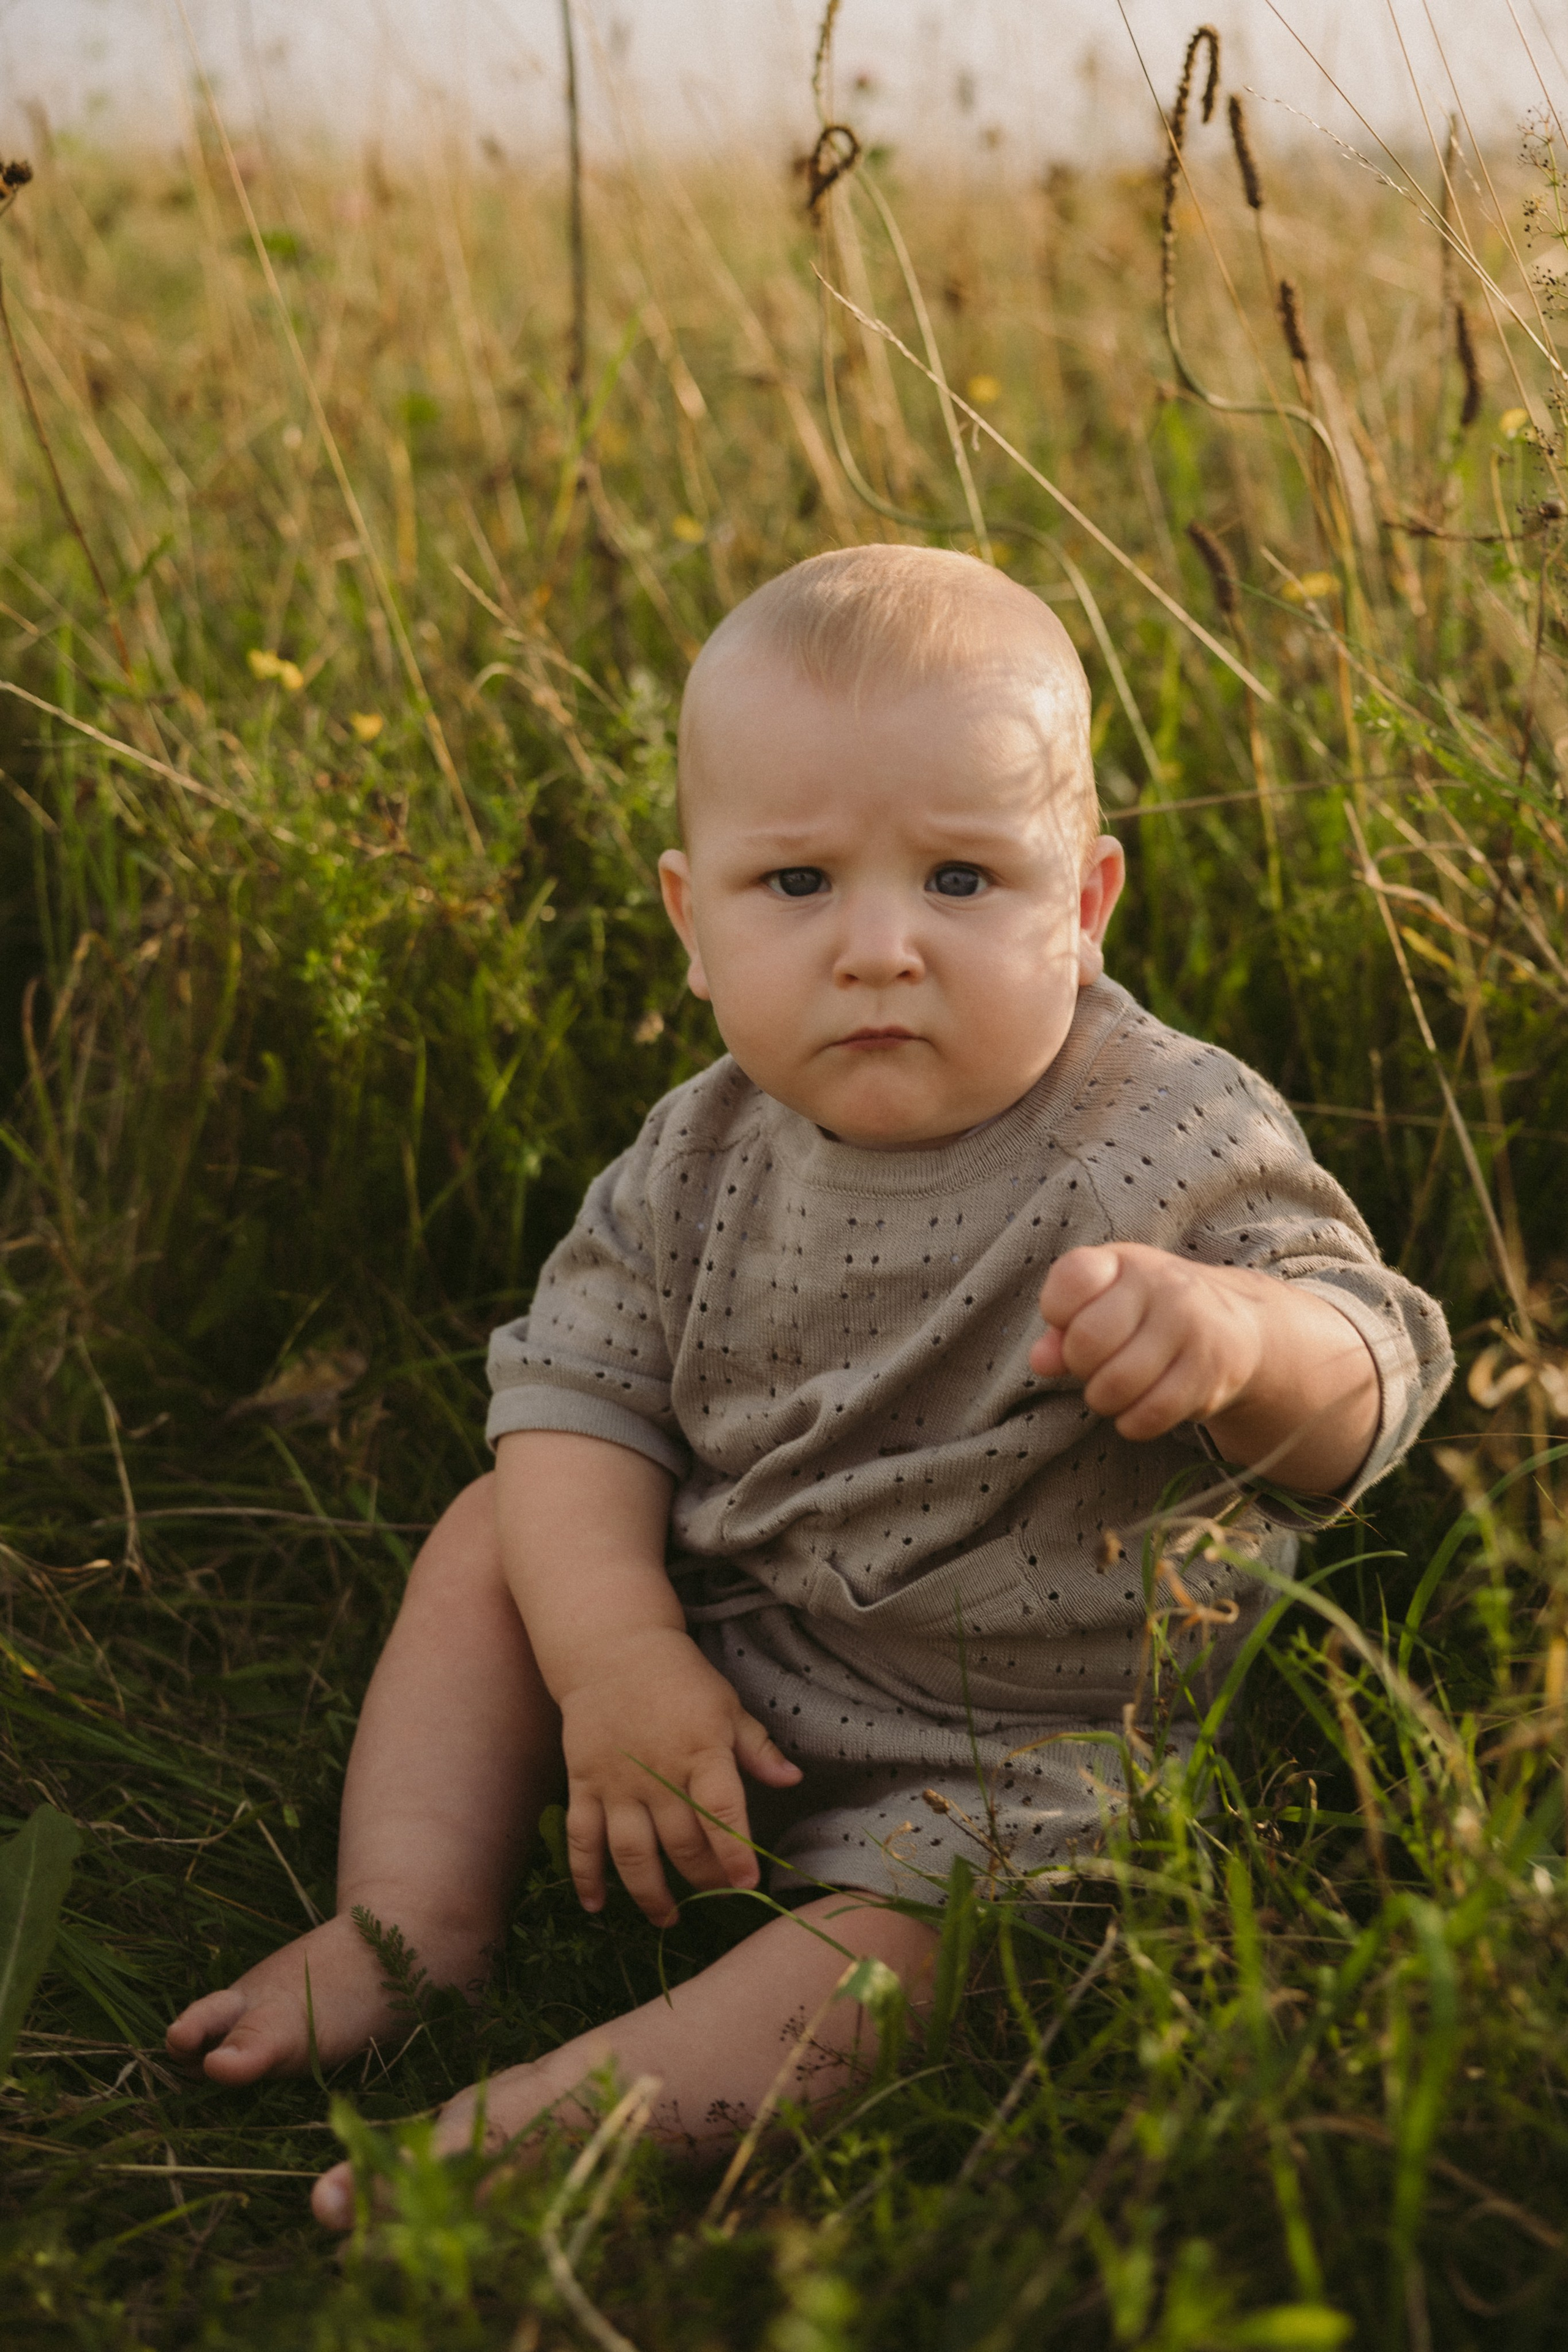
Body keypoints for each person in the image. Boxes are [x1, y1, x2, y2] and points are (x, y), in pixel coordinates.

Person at [167, 546, 1452, 2229]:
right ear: (692, 923)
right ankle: (409, 1926)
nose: (880, 950)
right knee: (504, 1528)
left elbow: (1383, 1360)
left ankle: (578, 2121)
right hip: (740, 1653)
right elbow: (576, 1401)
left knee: (933, 1953)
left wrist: (1243, 1340)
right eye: (797, 887)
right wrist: (618, 1657)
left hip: (1020, 1749)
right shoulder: (699, 1152)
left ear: (1084, 908)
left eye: (964, 880)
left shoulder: (1163, 1137)